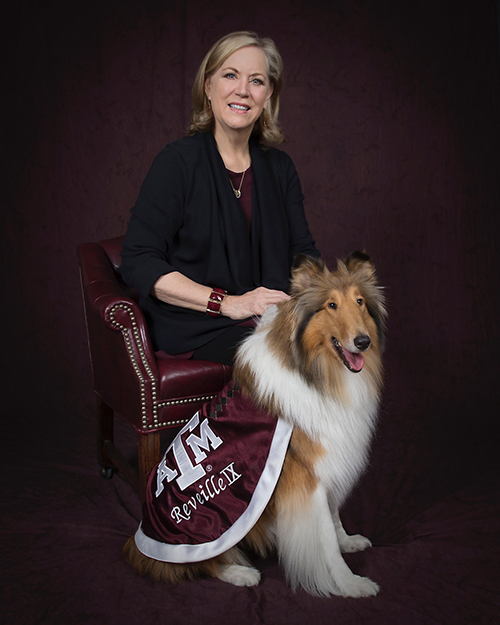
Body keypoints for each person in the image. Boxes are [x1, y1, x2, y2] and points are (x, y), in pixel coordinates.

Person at [120, 31, 320, 366]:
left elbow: (304, 255)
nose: (243, 90)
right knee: (287, 362)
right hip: (195, 324)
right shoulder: (176, 163)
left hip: (268, 318)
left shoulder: (280, 167)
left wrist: (318, 306)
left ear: (268, 94)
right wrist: (228, 303)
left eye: (256, 81)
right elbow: (139, 261)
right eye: (230, 75)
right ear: (208, 86)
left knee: (338, 347)